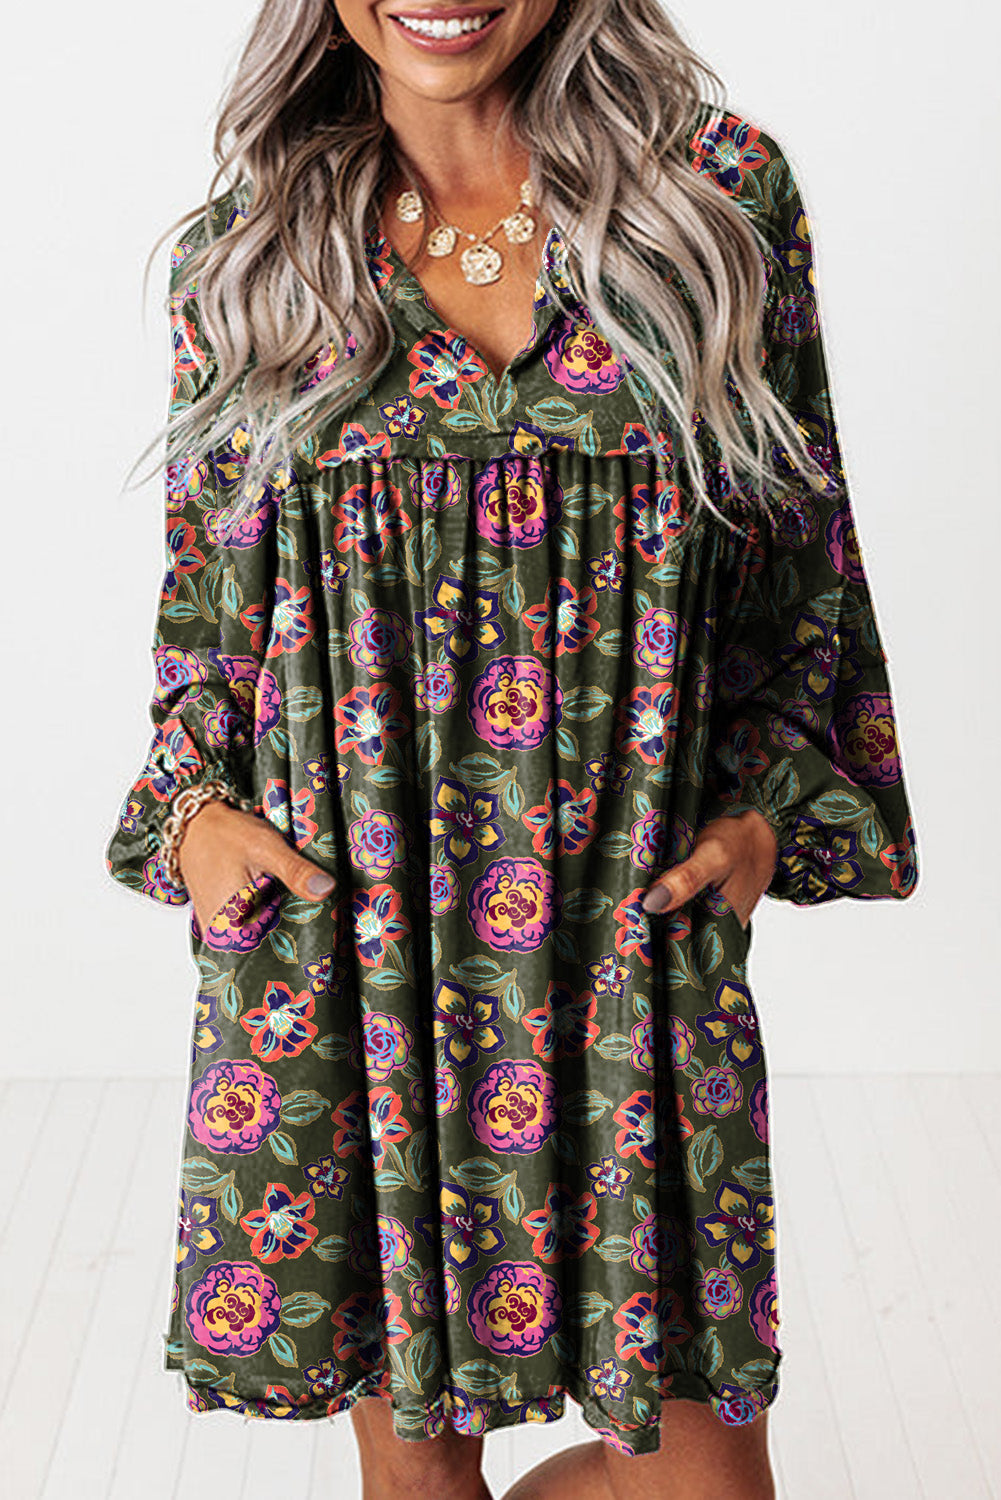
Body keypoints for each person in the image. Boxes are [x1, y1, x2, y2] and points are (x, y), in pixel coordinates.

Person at [104, 1, 921, 1497]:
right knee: (418, 1477)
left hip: (627, 941)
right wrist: (197, 815)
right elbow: (207, 614)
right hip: (360, 946)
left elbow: (800, 564)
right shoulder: (255, 253)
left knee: (696, 1476)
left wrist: (760, 820)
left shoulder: (713, 202)